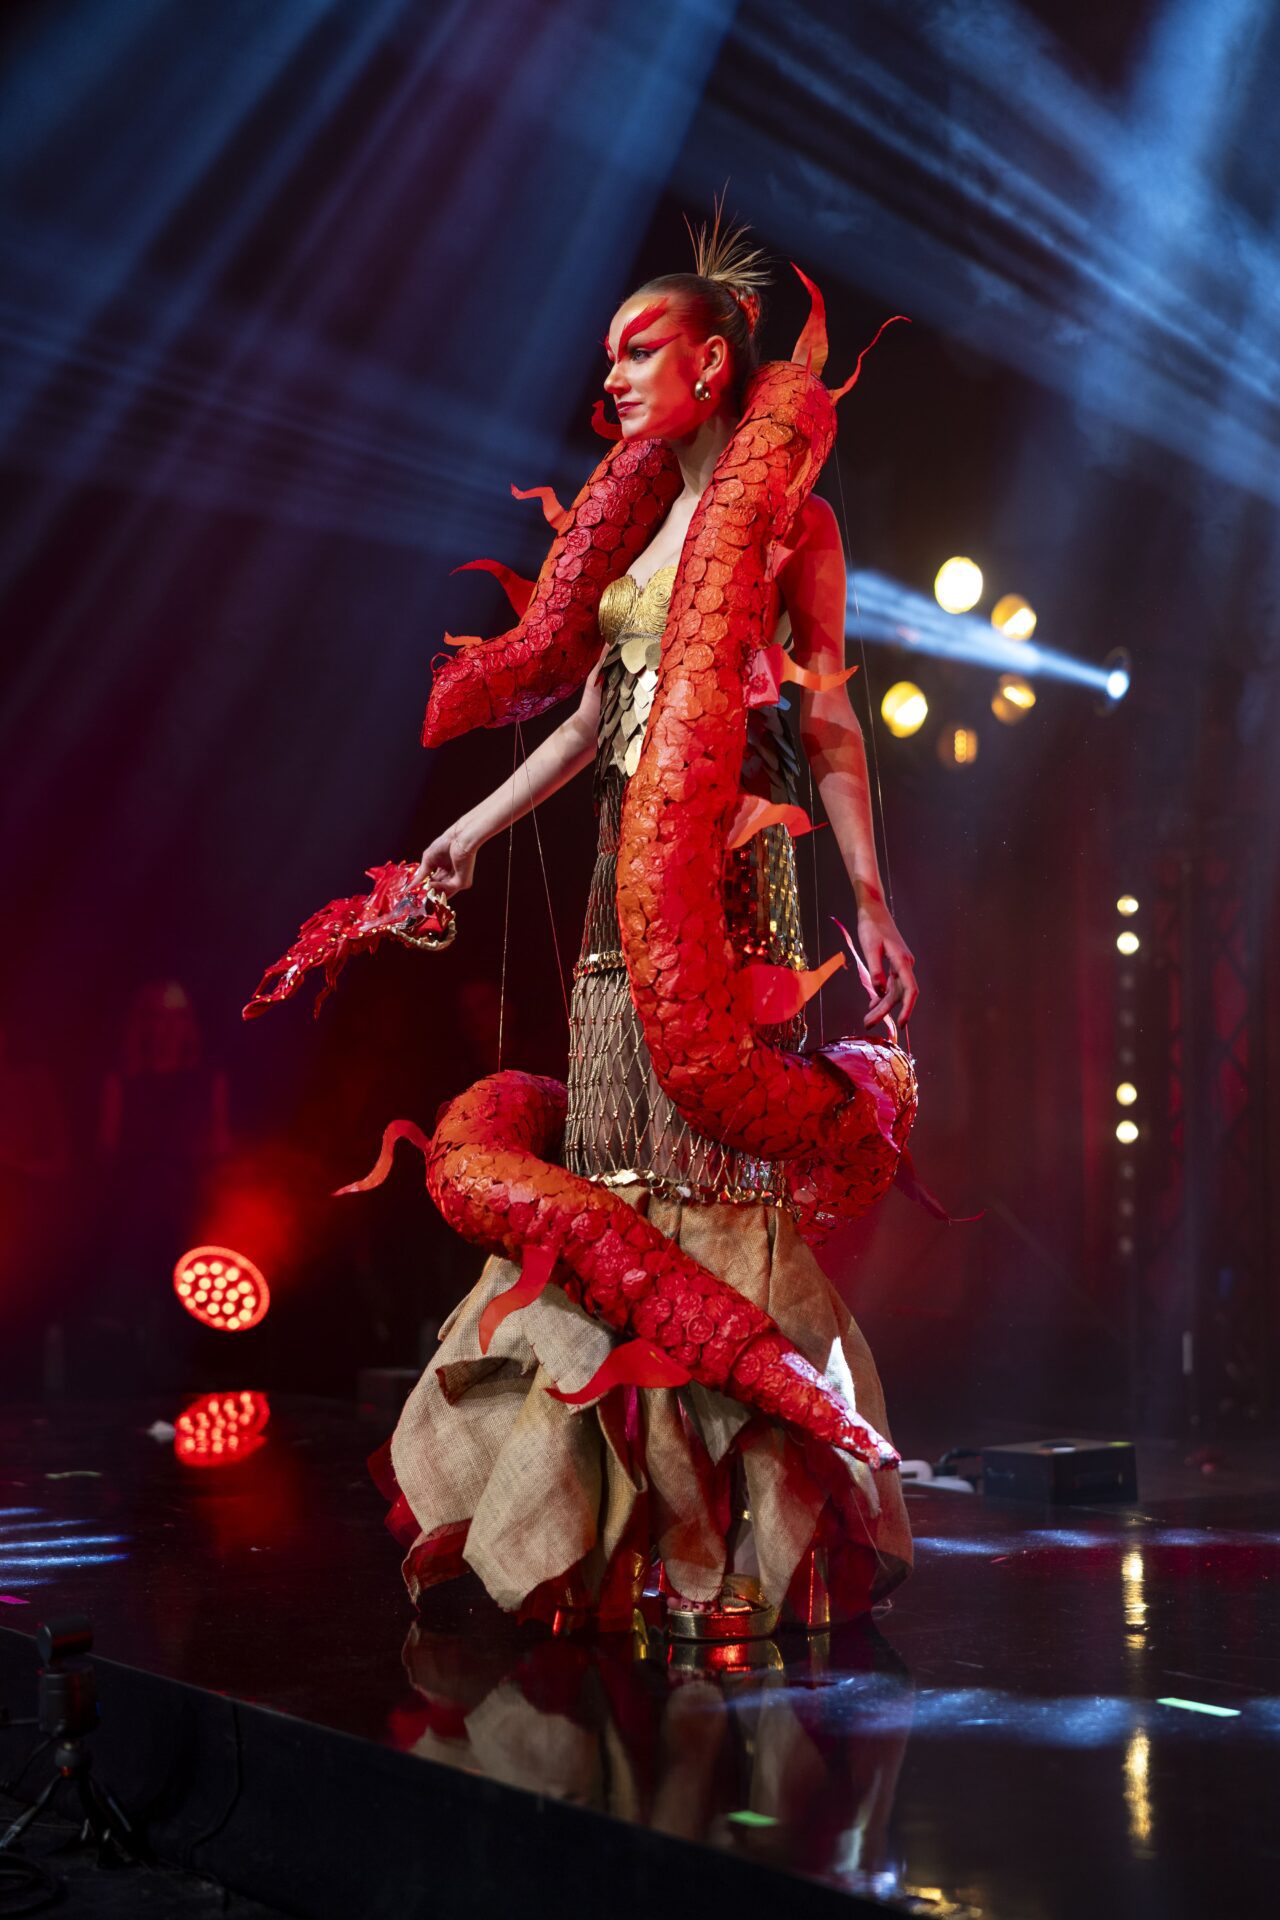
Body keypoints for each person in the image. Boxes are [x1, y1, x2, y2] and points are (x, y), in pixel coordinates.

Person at [387, 210, 918, 1636]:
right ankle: (625, 1544)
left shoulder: (793, 522)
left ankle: (736, 1546)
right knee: (612, 1176)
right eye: (609, 355)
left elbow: (829, 719)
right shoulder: (634, 526)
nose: (612, 377)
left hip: (733, 885)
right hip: (620, 884)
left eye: (638, 350)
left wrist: (870, 893)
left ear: (713, 362)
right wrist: (467, 829)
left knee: (713, 1177)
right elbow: (586, 720)